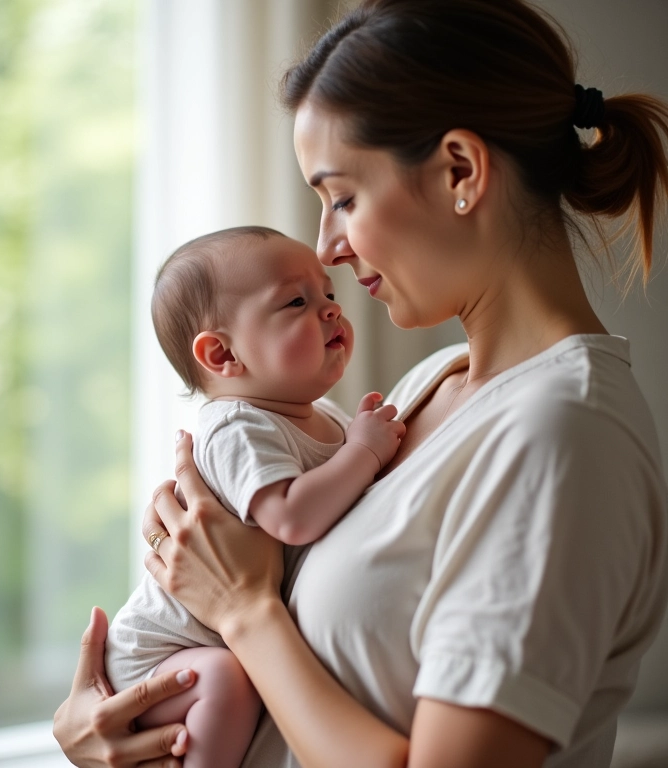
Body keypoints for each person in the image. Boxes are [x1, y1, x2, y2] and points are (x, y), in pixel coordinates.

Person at [53, 0, 668, 766]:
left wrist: (244, 614)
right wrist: (113, 721)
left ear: (460, 171)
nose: (327, 248)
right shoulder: (422, 390)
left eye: (342, 197)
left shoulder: (561, 432)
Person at [104, 226, 404, 768]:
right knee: (223, 681)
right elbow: (289, 516)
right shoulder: (235, 425)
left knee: (233, 680)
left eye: (329, 295)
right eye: (296, 301)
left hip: (222, 639)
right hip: (158, 656)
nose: (332, 310)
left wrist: (357, 444)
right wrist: (365, 452)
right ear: (222, 354)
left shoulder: (325, 417)